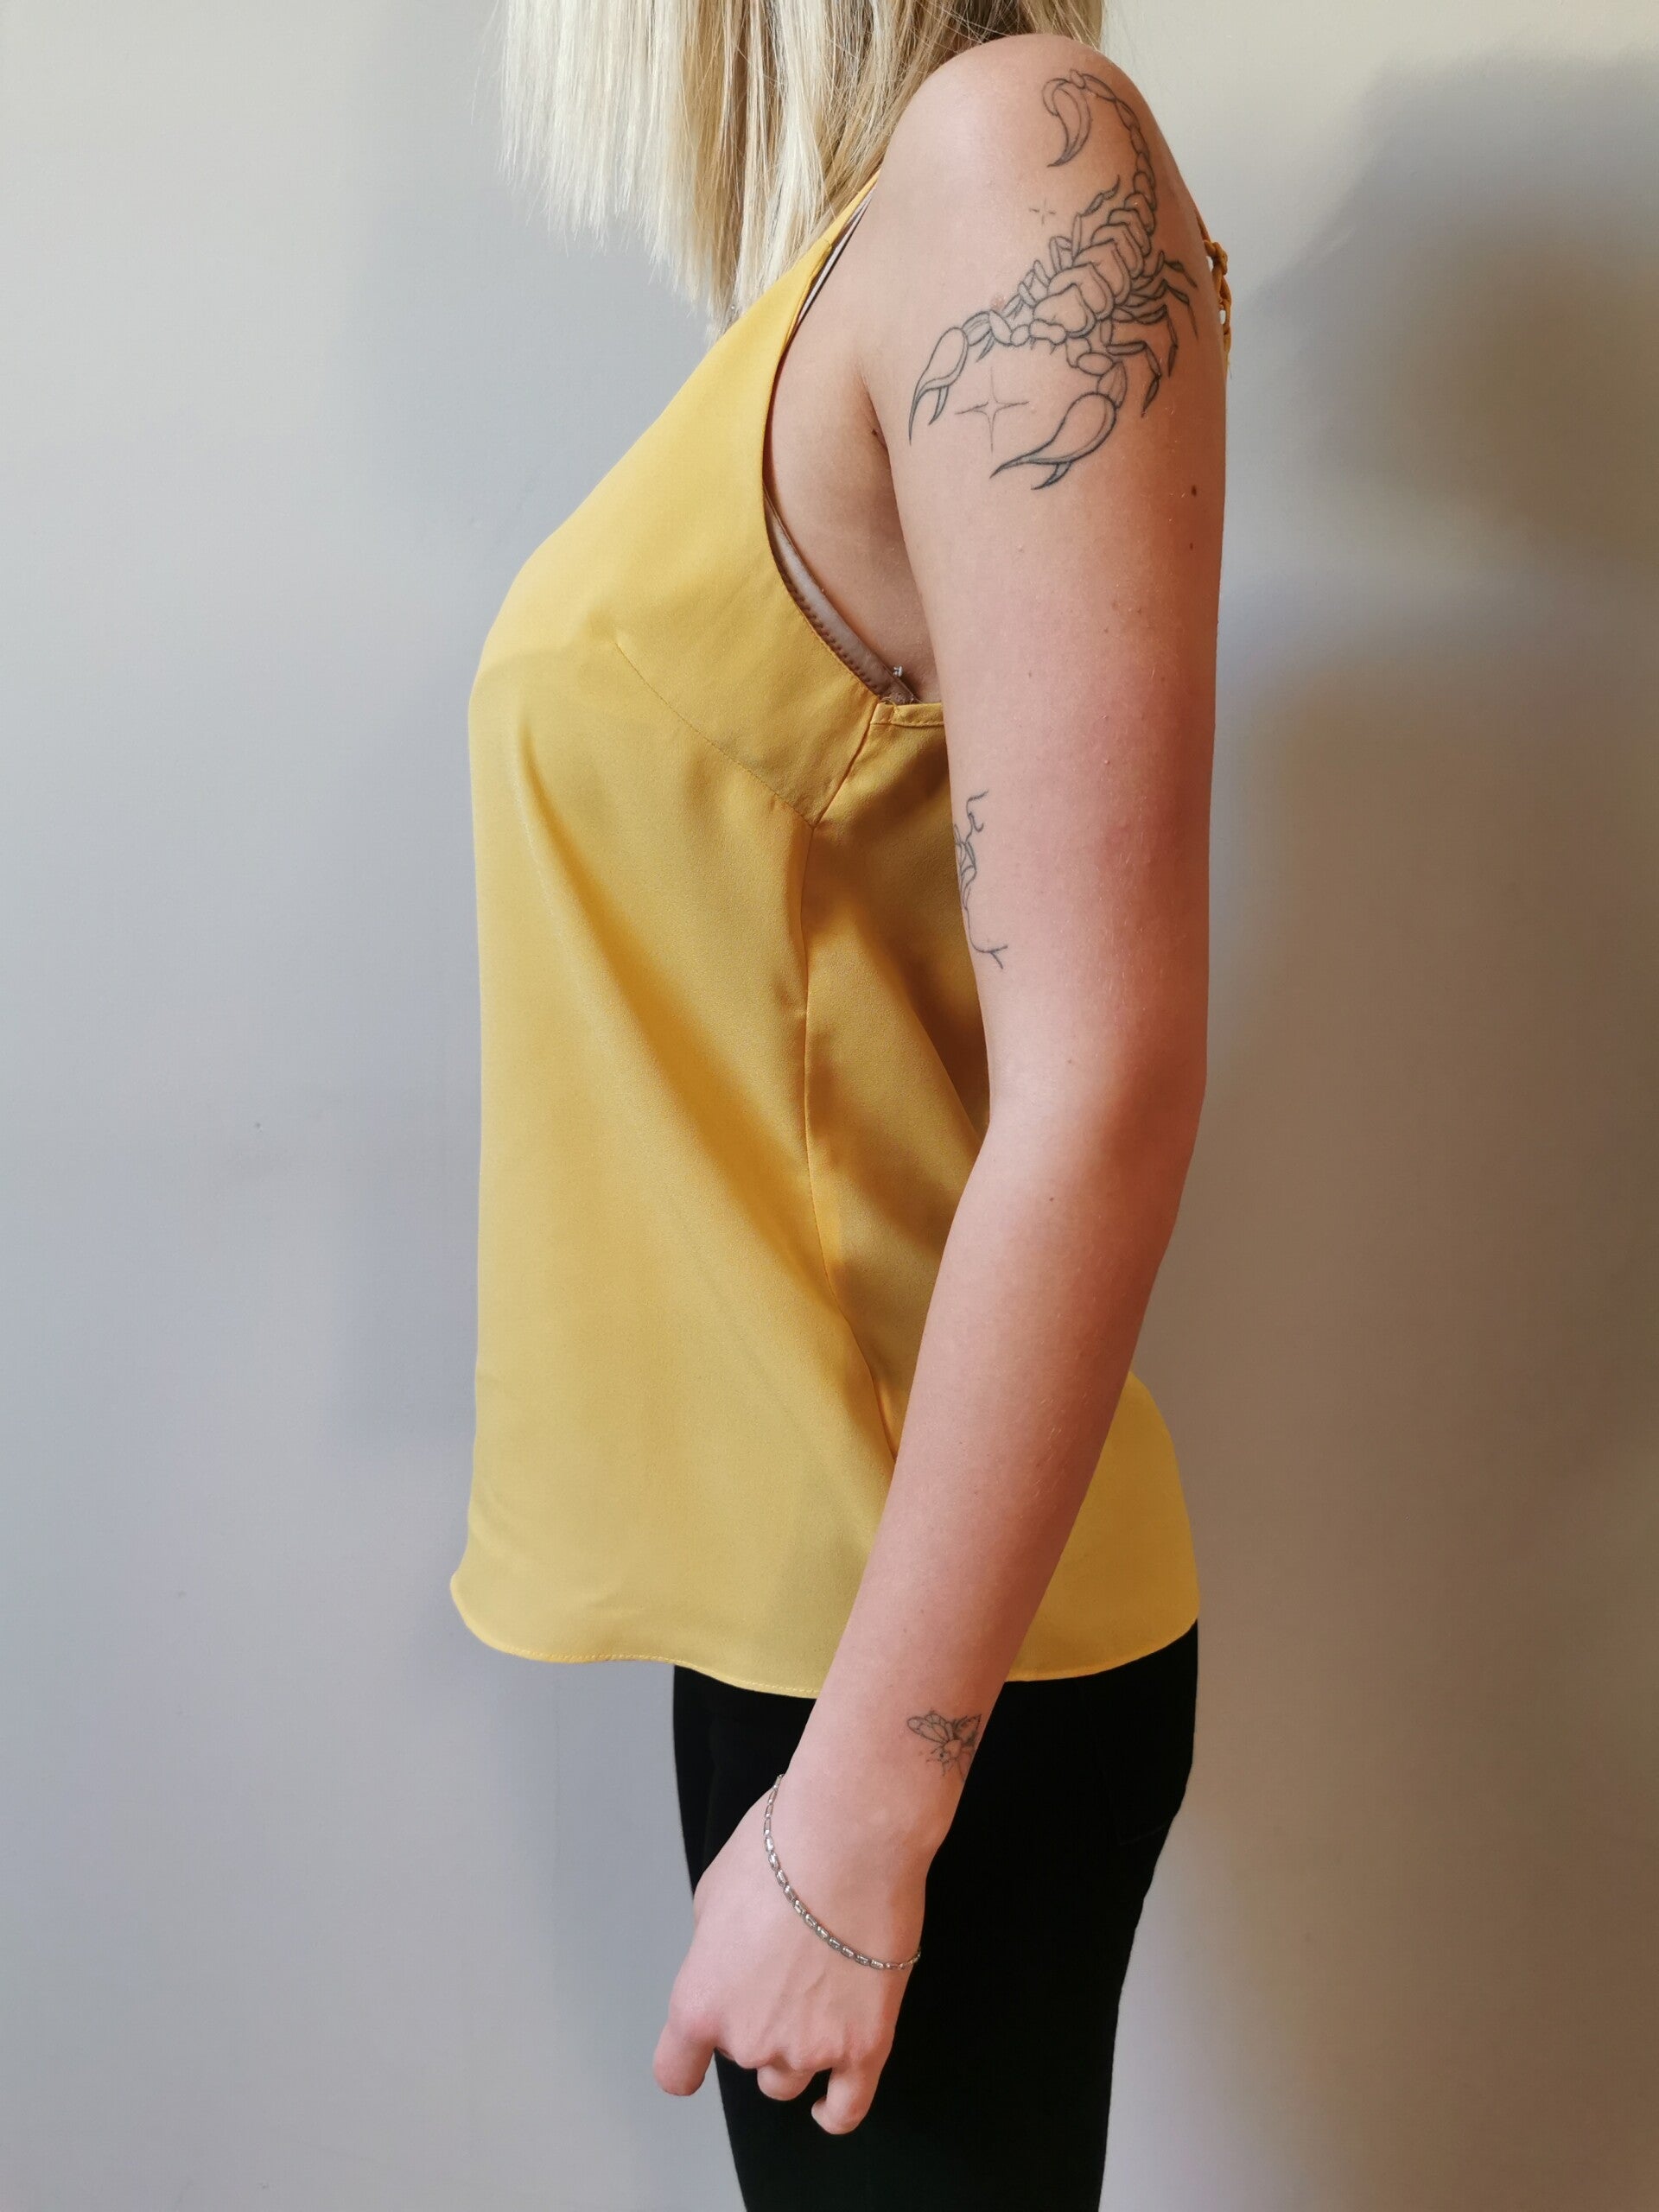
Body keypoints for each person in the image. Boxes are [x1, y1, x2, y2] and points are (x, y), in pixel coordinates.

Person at [449, 5, 1230, 2205]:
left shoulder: (1022, 161)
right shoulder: (888, 242)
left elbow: (1108, 1074)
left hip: (906, 1670)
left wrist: (861, 1821)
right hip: (810, 1621)